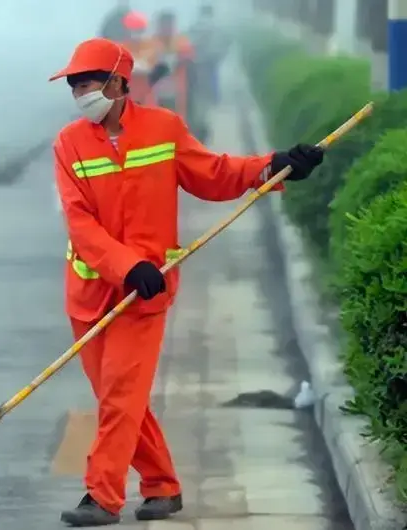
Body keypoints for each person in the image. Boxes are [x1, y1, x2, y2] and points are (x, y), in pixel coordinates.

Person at [49, 37, 324, 527]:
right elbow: (80, 223)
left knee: (118, 397)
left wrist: (273, 163)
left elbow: (214, 174)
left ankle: (102, 496)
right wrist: (123, 263)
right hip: (89, 294)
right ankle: (163, 486)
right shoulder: (68, 143)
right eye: (74, 85)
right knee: (122, 401)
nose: (80, 91)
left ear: (118, 82)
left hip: (145, 294)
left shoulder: (163, 129)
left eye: (88, 82)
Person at [144, 10, 194, 121]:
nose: (166, 27)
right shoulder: (152, 42)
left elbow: (189, 57)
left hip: (177, 88)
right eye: (163, 24)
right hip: (155, 89)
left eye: (169, 24)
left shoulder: (181, 42)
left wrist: (179, 58)